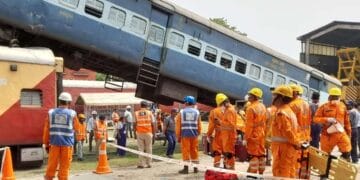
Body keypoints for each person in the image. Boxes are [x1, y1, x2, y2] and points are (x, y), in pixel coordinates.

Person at [43, 92, 77, 180]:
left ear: (59, 101)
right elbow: (76, 128)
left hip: (54, 143)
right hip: (67, 145)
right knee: (64, 166)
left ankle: (48, 178)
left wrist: (46, 143)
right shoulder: (72, 114)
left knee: (52, 164)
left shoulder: (51, 113)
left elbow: (47, 130)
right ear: (69, 103)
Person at [271, 85, 303, 178]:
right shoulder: (289, 111)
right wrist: (296, 143)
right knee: (289, 173)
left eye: (275, 95)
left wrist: (296, 143)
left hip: (282, 150)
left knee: (281, 174)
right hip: (288, 149)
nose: (272, 97)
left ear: (281, 97)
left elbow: (287, 131)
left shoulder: (282, 113)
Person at [314, 87, 351, 161]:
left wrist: (349, 134)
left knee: (347, 150)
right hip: (327, 135)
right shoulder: (324, 106)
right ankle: (324, 169)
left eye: (336, 97)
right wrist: (326, 119)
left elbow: (347, 122)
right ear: (330, 97)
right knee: (325, 155)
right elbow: (315, 119)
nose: (335, 98)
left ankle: (343, 168)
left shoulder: (342, 107)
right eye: (333, 96)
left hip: (340, 133)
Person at [289, 84, 311, 179]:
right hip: (305, 136)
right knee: (304, 161)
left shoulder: (292, 105)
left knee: (295, 162)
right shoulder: (306, 104)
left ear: (294, 93)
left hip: (297, 137)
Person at [176, 96, 202, 174]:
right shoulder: (197, 112)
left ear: (187, 103)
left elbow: (178, 125)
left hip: (185, 134)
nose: (184, 103)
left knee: (185, 151)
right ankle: (195, 168)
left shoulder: (181, 112)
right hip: (194, 135)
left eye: (184, 102)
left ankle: (186, 169)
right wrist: (198, 133)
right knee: (194, 150)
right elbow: (199, 125)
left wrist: (178, 136)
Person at [244, 88, 267, 175]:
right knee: (261, 154)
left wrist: (246, 138)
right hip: (261, 134)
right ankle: (261, 173)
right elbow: (265, 122)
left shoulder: (251, 108)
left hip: (253, 135)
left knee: (253, 155)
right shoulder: (263, 106)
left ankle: (252, 175)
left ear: (254, 97)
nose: (248, 96)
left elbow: (249, 126)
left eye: (250, 95)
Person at [215, 93, 237, 170]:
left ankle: (231, 170)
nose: (221, 106)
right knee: (228, 153)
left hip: (229, 137)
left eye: (221, 104)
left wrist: (220, 122)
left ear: (224, 102)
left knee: (229, 154)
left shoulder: (230, 111)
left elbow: (231, 125)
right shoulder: (228, 110)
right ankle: (230, 169)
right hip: (228, 136)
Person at [134, 101, 156, 168]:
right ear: (146, 106)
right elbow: (153, 123)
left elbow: (134, 124)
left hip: (140, 133)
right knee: (149, 148)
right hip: (148, 132)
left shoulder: (136, 113)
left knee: (141, 148)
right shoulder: (149, 113)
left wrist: (134, 133)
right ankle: (149, 163)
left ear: (140, 105)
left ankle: (141, 164)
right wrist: (154, 134)